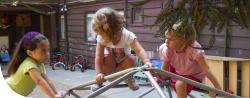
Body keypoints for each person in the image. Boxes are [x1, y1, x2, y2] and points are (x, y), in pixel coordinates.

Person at [92, 7, 153, 91]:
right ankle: (99, 82)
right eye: (108, 39)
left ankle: (129, 78)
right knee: (107, 57)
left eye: (114, 37)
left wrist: (147, 62)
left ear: (118, 30)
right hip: (109, 71)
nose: (112, 42)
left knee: (131, 58)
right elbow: (98, 56)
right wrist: (99, 73)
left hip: (123, 70)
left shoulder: (127, 35)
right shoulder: (101, 37)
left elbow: (139, 50)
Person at [159, 23, 221, 98]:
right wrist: (160, 76)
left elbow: (206, 70)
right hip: (177, 71)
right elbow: (164, 72)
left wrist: (217, 87)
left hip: (193, 75)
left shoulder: (194, 49)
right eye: (166, 38)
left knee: (180, 84)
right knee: (159, 76)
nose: (166, 41)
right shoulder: (166, 49)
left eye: (171, 39)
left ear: (183, 40)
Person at [6, 32, 65, 98]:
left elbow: (47, 80)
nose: (47, 54)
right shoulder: (29, 64)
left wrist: (56, 94)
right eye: (43, 51)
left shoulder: (39, 63)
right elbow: (39, 81)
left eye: (48, 50)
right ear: (30, 53)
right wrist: (53, 96)